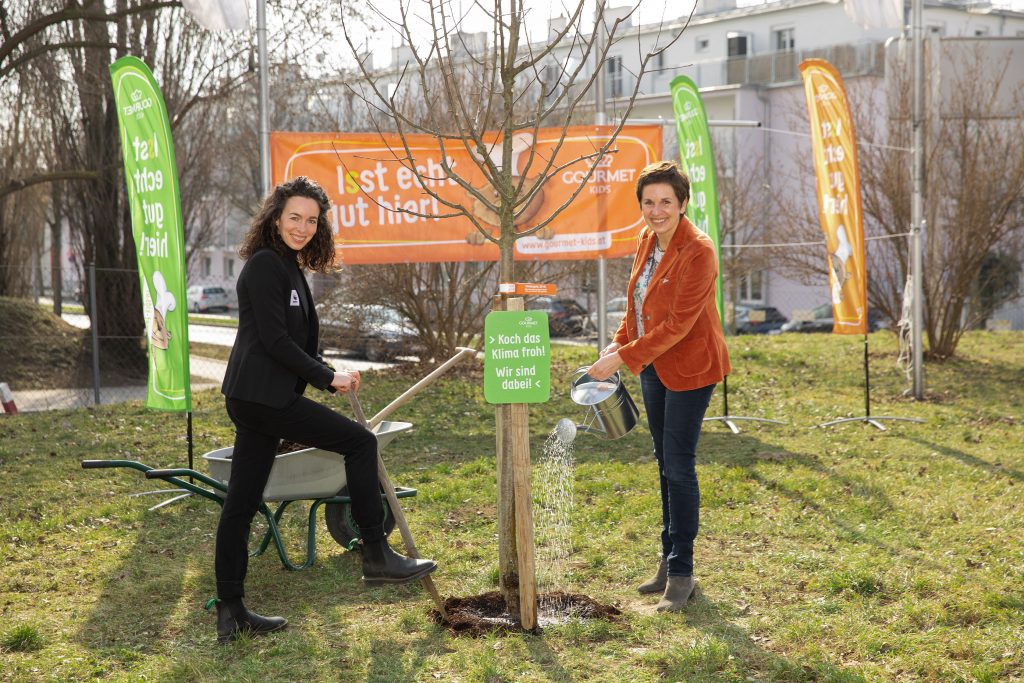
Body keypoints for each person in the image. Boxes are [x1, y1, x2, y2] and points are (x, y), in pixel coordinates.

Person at [213, 176, 436, 643]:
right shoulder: (265, 266)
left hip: (261, 397)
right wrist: (324, 377)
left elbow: (294, 342)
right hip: (262, 397)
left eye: (312, 221)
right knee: (360, 442)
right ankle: (376, 556)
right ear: (275, 218)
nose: (303, 227)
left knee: (242, 503)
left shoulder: (289, 266)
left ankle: (231, 611)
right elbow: (274, 341)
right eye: (294, 217)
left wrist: (327, 371)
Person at [586, 160, 730, 612]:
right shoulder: (646, 240)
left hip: (691, 367)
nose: (656, 210)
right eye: (648, 202)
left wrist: (621, 358)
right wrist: (618, 341)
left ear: (683, 203)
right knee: (663, 461)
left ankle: (683, 571)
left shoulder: (699, 251)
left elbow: (678, 325)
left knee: (679, 465)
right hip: (652, 365)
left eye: (666, 201)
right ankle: (668, 562)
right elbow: (638, 307)